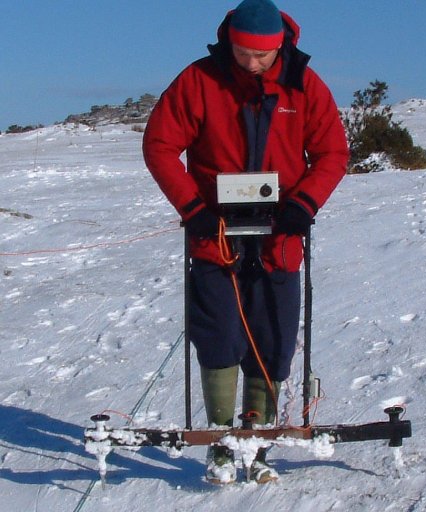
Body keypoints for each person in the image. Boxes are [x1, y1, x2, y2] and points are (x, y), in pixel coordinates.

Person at [143, 0, 349, 485]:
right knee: (217, 333)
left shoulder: (305, 84)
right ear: (228, 41)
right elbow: (159, 144)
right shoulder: (200, 80)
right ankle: (219, 440)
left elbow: (333, 151)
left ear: (281, 45)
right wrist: (192, 208)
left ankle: (258, 439)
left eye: (262, 56)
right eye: (242, 53)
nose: (252, 63)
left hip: (280, 237)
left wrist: (305, 204)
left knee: (272, 335)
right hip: (213, 233)